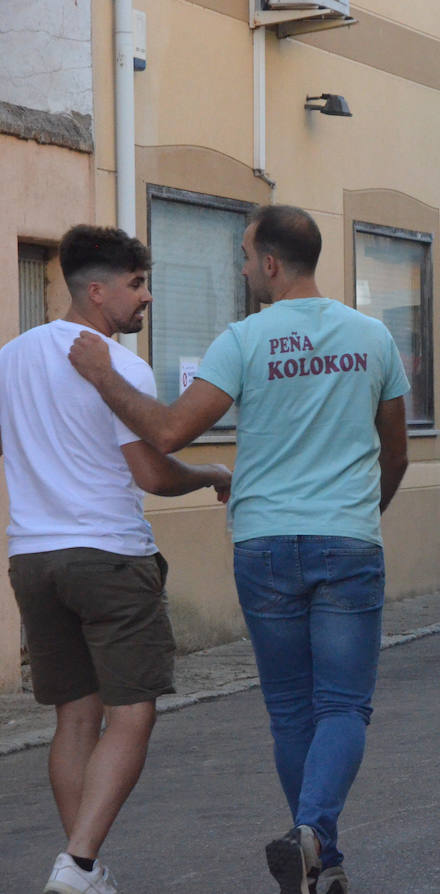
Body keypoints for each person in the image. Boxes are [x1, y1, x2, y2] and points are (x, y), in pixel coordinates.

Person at [66, 206, 409, 894]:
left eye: (247, 256)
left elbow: (167, 433)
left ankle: (319, 853)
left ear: (273, 264)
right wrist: (358, 518)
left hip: (265, 547)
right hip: (346, 541)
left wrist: (103, 374)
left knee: (289, 709)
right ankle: (314, 839)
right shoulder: (373, 338)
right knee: (342, 706)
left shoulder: (245, 340)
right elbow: (394, 453)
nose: (244, 267)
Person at [2, 226, 230, 894]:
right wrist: (212, 470)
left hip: (32, 559)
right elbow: (154, 476)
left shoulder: (11, 358)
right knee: (133, 711)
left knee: (75, 717)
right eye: (136, 285)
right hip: (106, 555)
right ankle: (76, 864)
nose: (148, 298)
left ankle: (81, 868)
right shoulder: (118, 367)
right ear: (96, 291)